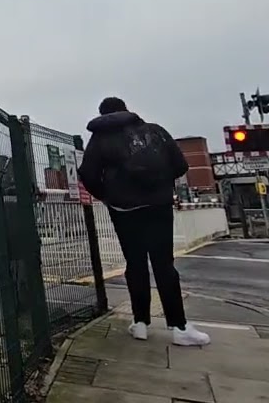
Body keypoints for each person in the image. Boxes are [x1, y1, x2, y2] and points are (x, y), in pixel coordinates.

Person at [77, 97, 210, 346]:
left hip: (122, 209)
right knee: (164, 264)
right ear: (126, 109)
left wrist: (107, 196)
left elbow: (87, 173)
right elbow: (180, 165)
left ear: (103, 114)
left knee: (135, 262)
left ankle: (140, 323)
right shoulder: (154, 131)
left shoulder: (100, 139)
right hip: (158, 206)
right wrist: (158, 185)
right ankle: (180, 327)